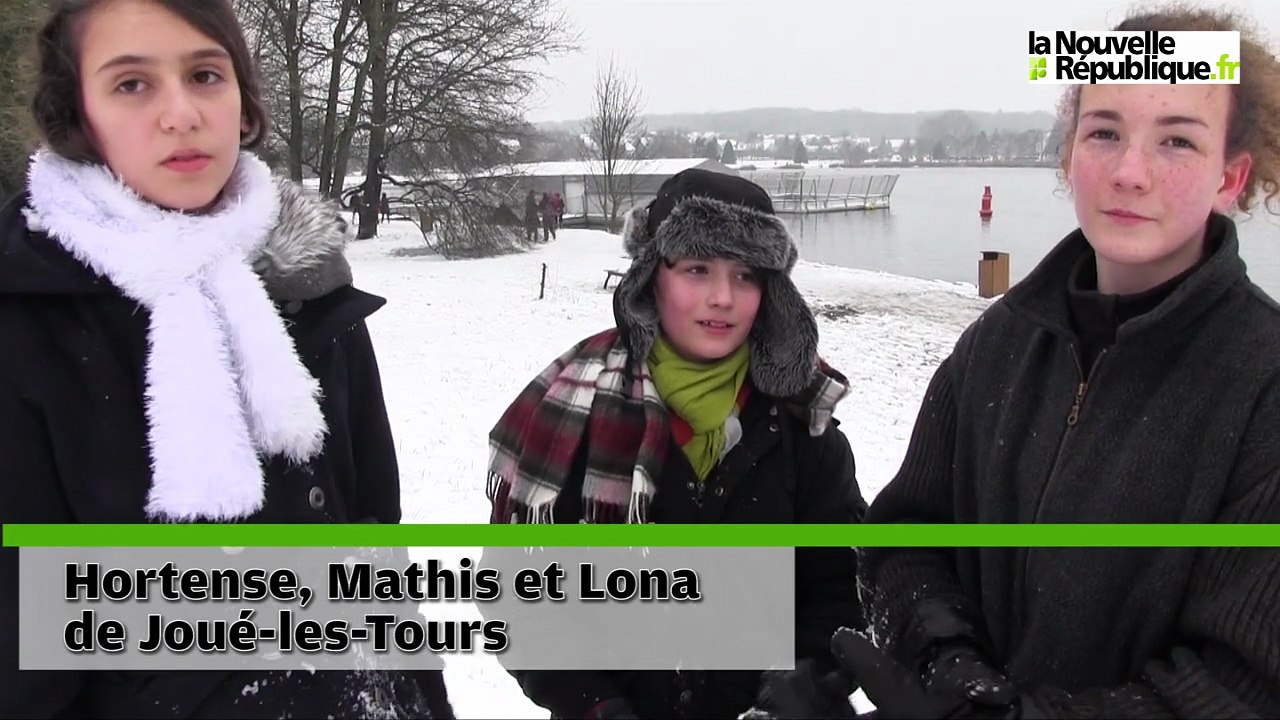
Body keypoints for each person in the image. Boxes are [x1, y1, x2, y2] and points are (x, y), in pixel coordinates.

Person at [755, 7, 1280, 720]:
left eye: (1178, 141)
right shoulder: (999, 342)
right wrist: (946, 659)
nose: (1130, 172)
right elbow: (906, 538)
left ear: (1231, 175)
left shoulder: (1263, 383)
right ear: (1068, 154)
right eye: (1104, 132)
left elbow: (1244, 684)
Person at [0, 1, 452, 718]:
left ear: (243, 102)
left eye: (205, 74)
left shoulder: (306, 286)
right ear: (77, 116)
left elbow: (377, 563)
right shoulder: (27, 322)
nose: (181, 113)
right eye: (132, 84)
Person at [487, 168, 866, 719]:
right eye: (697, 269)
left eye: (745, 276)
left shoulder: (802, 424)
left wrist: (807, 681)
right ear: (650, 275)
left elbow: (841, 586)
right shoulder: (577, 410)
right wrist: (595, 704)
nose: (723, 298)